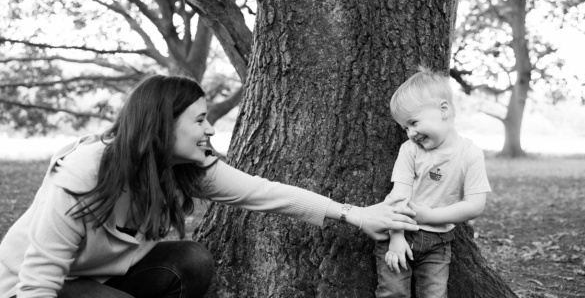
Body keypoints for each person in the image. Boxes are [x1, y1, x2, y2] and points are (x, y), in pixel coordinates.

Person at [0, 74, 418, 298]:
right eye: (199, 120)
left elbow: (266, 192)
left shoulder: (188, 168)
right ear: (162, 125)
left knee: (193, 260)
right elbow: (38, 281)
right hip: (33, 285)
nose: (211, 129)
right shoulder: (84, 173)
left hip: (105, 276)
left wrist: (357, 214)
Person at [375, 67, 491, 298]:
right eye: (405, 128)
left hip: (438, 242)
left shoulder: (470, 154)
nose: (410, 133)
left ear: (444, 110)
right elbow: (399, 196)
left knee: (435, 295)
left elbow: (475, 205)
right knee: (393, 292)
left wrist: (431, 217)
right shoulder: (410, 150)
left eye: (414, 122)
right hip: (401, 234)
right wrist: (396, 237)